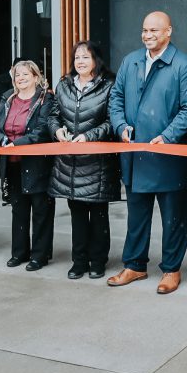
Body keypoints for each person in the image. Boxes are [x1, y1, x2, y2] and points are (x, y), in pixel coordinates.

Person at [108, 11, 187, 294]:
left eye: (154, 31)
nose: (148, 36)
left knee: (173, 218)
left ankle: (172, 269)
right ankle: (134, 265)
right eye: (144, 30)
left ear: (169, 32)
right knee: (136, 215)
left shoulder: (183, 65)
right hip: (135, 156)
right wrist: (120, 125)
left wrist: (168, 136)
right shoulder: (130, 61)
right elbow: (116, 98)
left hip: (168, 157)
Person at [48, 41, 120, 280]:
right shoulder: (64, 85)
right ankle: (78, 261)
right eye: (77, 57)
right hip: (70, 162)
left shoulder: (108, 86)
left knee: (99, 217)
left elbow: (112, 122)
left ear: (96, 61)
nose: (80, 61)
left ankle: (98, 260)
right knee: (77, 216)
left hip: (98, 163)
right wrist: (57, 130)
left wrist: (88, 136)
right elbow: (54, 115)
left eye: (85, 57)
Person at [0, 60, 56, 271]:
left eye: (25, 74)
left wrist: (16, 144)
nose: (20, 78)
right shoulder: (7, 98)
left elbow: (42, 129)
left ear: (36, 77)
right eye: (17, 75)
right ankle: (19, 253)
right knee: (18, 209)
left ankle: (40, 255)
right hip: (12, 163)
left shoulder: (46, 99)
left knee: (41, 210)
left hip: (37, 163)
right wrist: (1, 140)